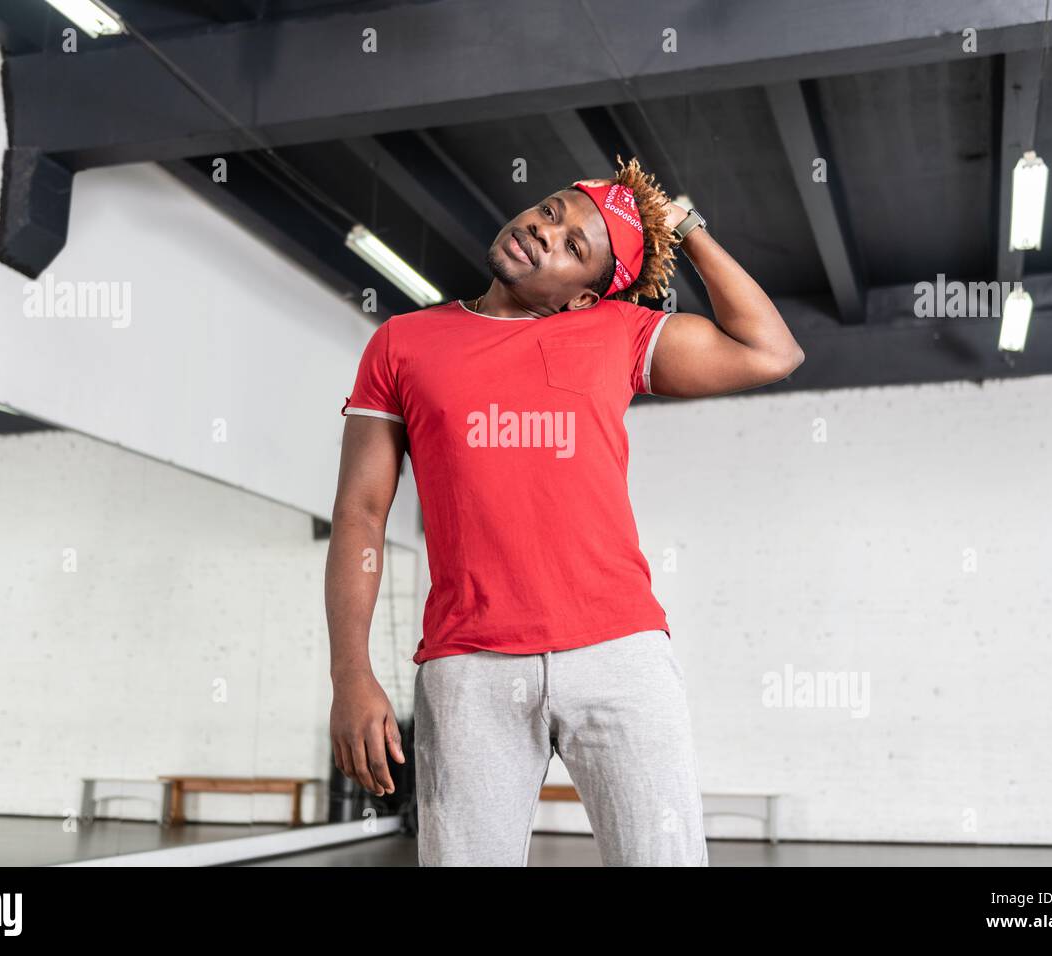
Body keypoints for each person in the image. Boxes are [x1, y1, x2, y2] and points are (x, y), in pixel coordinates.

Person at [327, 155, 804, 866]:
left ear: (584, 297)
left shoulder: (617, 331)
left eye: (574, 246)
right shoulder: (402, 343)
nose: (545, 231)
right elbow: (361, 515)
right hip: (470, 664)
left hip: (620, 653)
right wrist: (350, 673)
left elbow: (771, 350)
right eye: (551, 211)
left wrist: (689, 228)